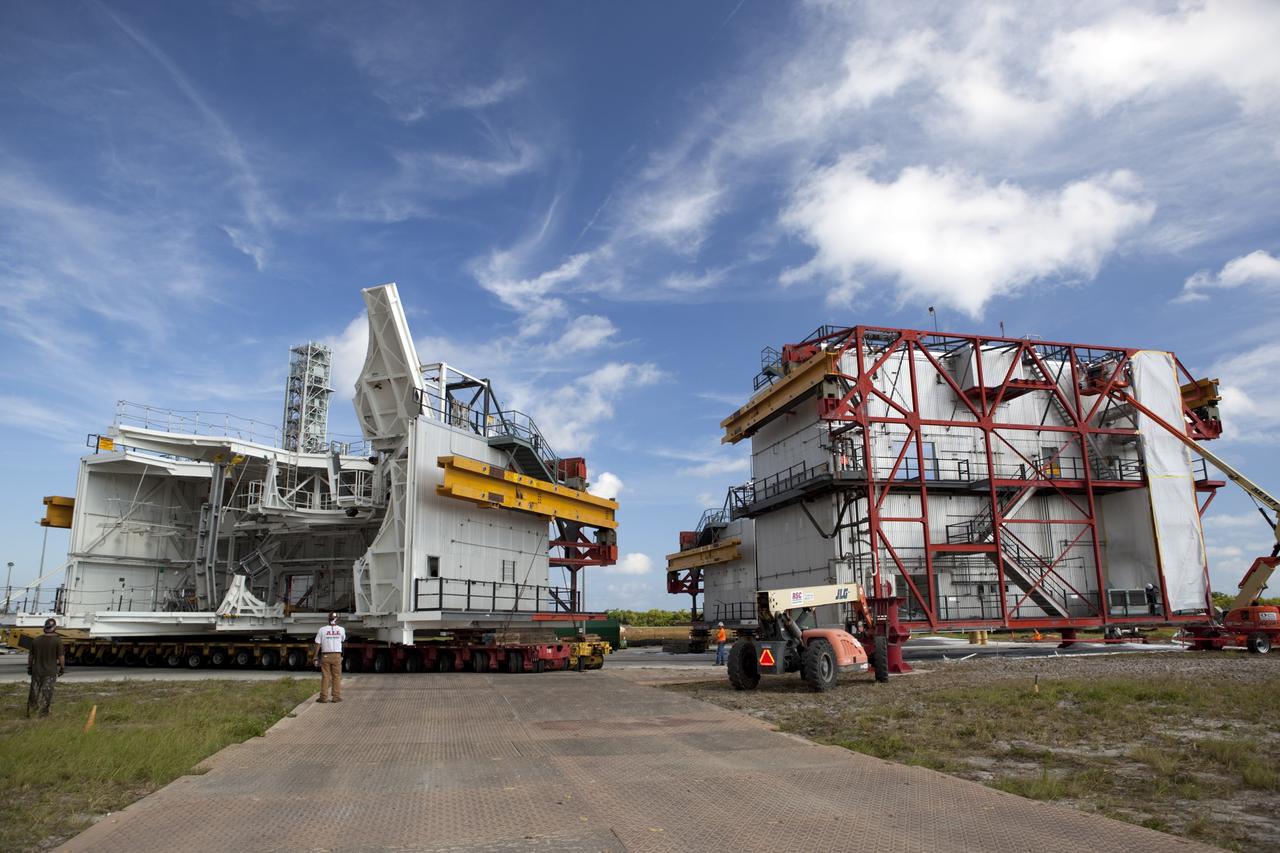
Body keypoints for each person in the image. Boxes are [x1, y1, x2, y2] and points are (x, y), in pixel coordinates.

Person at [27, 618, 65, 718]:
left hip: (36, 671)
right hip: (50, 672)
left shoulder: (36, 640)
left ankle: (31, 712)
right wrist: (62, 668)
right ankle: (43, 713)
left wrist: (30, 667)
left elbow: (31, 656)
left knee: (34, 691)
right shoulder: (57, 641)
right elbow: (61, 656)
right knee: (47, 693)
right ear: (54, 627)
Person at [313, 611, 346, 703]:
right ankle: (336, 697)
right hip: (337, 655)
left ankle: (323, 697)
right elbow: (343, 640)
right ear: (336, 619)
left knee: (325, 676)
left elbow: (318, 644)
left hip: (326, 655)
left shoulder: (322, 630)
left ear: (328, 619)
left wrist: (315, 656)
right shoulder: (341, 630)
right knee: (337, 676)